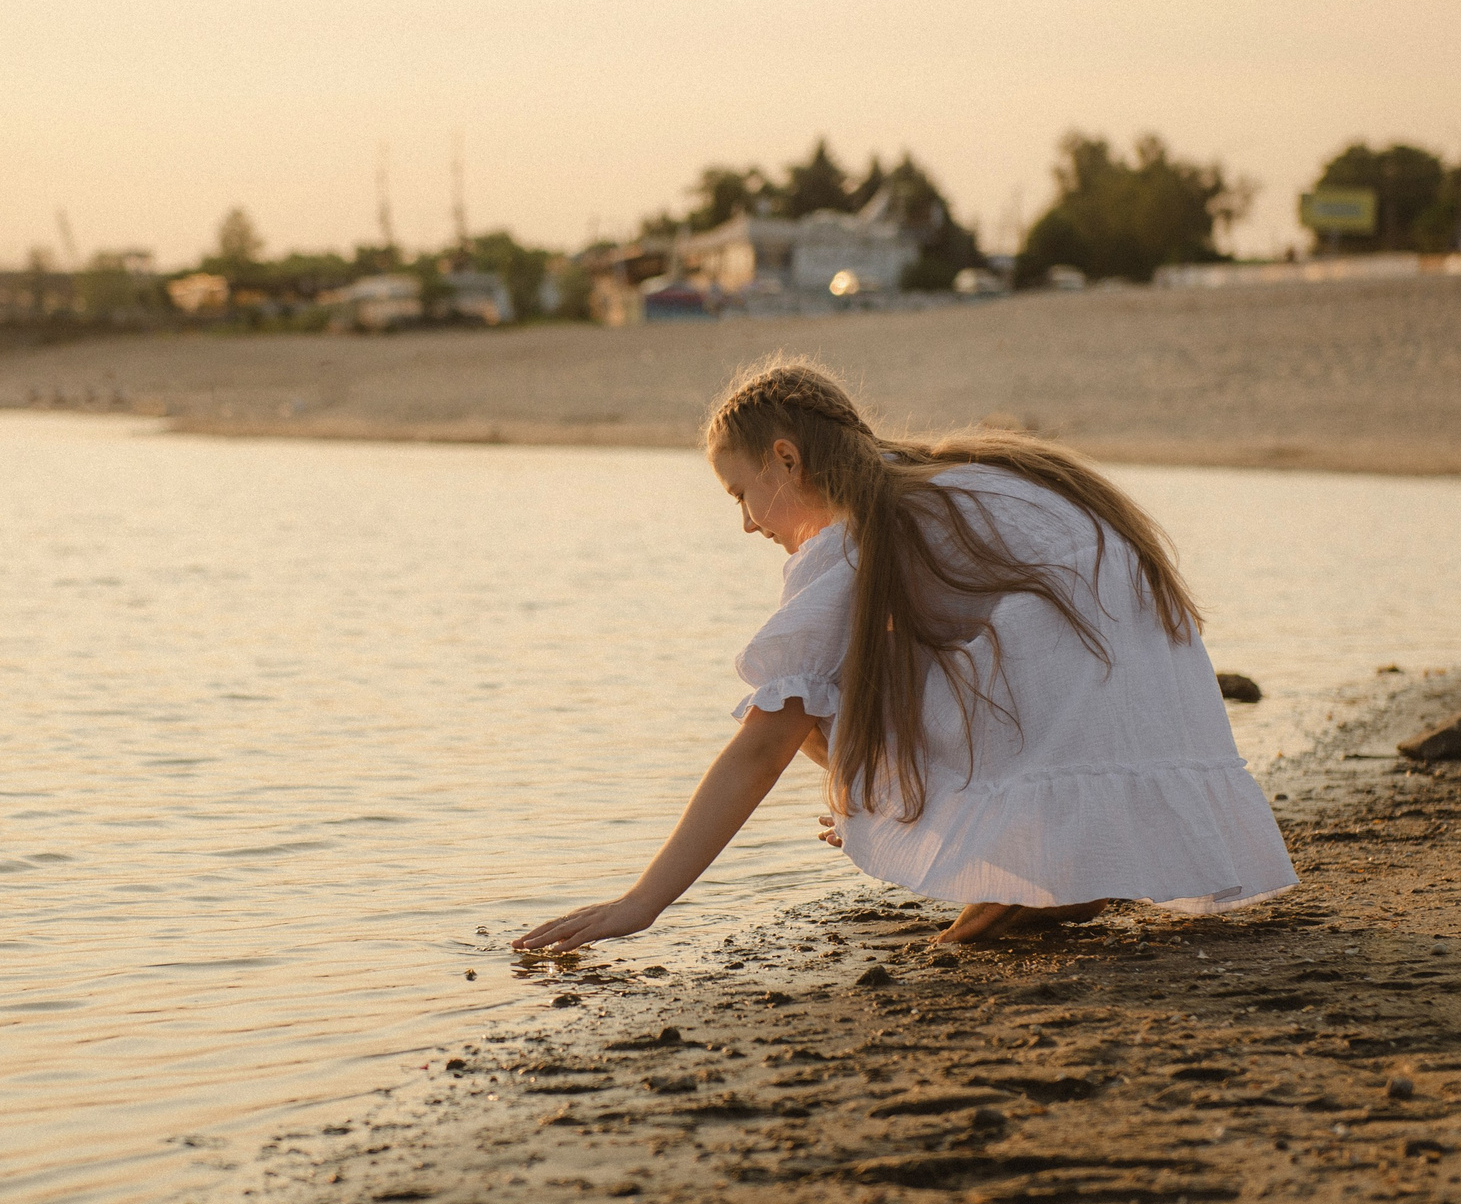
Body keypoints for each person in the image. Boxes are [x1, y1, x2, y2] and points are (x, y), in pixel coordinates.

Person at [513, 358, 1296, 952]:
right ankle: (1049, 883)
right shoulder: (946, 479)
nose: (746, 523)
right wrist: (865, 776)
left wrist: (638, 904)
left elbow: (761, 746)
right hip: (1152, 696)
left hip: (1087, 686)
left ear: (787, 460)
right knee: (836, 684)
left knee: (801, 698)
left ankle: (1039, 886)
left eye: (738, 493)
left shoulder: (858, 539)